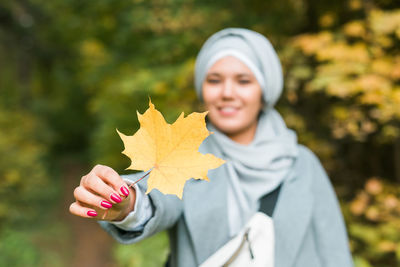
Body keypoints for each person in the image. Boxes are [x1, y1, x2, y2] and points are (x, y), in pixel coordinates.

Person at [69, 28, 353, 267]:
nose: (227, 93)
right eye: (214, 80)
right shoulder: (184, 157)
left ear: (265, 89)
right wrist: (125, 203)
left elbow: (335, 254)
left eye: (243, 80)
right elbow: (153, 198)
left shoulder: (303, 165)